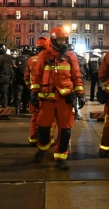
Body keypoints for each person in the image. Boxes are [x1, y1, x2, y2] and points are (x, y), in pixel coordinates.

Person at [31, 27, 84, 170]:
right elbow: (37, 74)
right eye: (60, 40)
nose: (63, 42)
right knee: (42, 127)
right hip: (47, 98)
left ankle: (61, 157)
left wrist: (80, 93)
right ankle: (42, 148)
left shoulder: (71, 56)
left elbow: (76, 75)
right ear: (54, 40)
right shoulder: (44, 55)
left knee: (65, 130)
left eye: (64, 40)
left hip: (65, 98)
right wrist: (34, 92)